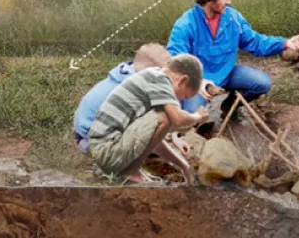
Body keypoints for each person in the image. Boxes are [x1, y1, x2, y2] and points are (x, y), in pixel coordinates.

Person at [166, 0, 299, 130]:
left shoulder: (233, 17)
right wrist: (198, 82)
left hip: (227, 73)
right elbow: (176, 60)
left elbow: (255, 42)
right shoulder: (186, 23)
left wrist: (285, 43)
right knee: (192, 118)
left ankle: (228, 106)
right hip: (199, 81)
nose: (229, 1)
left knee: (262, 82)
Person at [87, 54, 208, 184]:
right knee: (167, 117)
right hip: (107, 151)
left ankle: (132, 169)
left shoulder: (153, 76)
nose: (178, 101)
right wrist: (198, 116)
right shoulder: (160, 80)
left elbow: (152, 139)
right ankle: (131, 171)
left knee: (164, 118)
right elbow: (177, 119)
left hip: (102, 150)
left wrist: (183, 165)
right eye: (183, 96)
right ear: (182, 80)